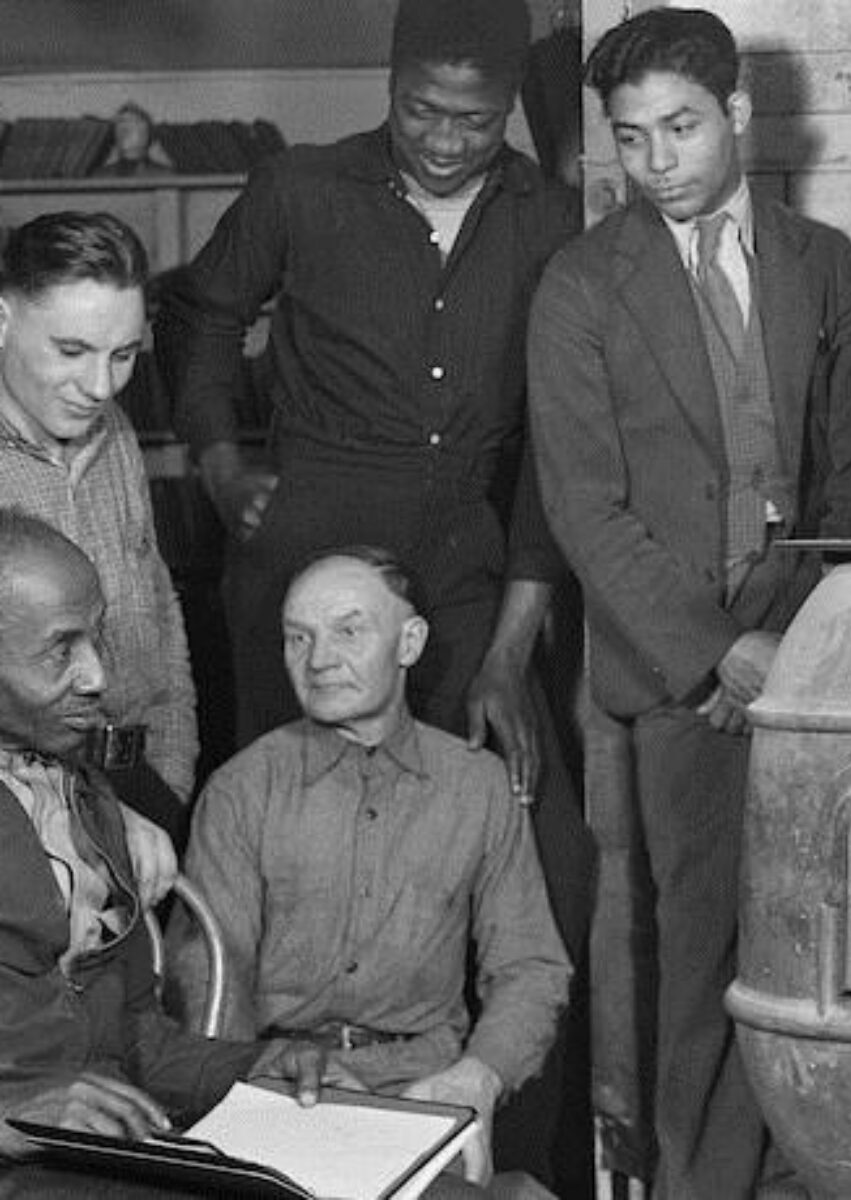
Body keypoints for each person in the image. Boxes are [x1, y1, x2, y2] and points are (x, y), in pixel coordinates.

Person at [156, 1, 594, 1184]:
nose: (445, 141)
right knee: (276, 852)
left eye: (474, 120)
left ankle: (498, 1155)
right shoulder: (299, 188)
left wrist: (507, 653)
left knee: (539, 846)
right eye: (419, 112)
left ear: (509, 110)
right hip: (302, 559)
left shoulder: (553, 218)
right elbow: (202, 312)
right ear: (390, 84)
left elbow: (558, 449)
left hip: (468, 566)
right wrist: (220, 460)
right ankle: (267, 1137)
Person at [526, 8, 851, 1196]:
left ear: (740, 115)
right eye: (631, 139)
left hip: (817, 664)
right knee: (704, 967)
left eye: (681, 127)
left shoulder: (831, 269)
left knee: (834, 943)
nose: (657, 160)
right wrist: (720, 653)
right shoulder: (581, 286)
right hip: (683, 688)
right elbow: (584, 506)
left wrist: (789, 639)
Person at [173, 546, 571, 1190]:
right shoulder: (242, 789)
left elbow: (530, 967)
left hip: (425, 1092)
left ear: (409, 643)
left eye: (348, 631)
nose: (319, 660)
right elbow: (210, 976)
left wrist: (480, 1076)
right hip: (282, 1089)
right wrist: (260, 1087)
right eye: (298, 638)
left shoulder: (478, 786)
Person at [0, 511, 340, 1193]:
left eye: (97, 637)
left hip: (107, 1164)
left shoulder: (86, 800)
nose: (98, 675)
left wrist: (255, 1067)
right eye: (60, 650)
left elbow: (137, 1042)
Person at [0, 211, 193, 877]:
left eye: (124, 354)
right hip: (28, 824)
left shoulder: (116, 434)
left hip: (145, 792)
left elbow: (159, 611)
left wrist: (171, 775)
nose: (101, 386)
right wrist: (90, 810)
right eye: (73, 351)